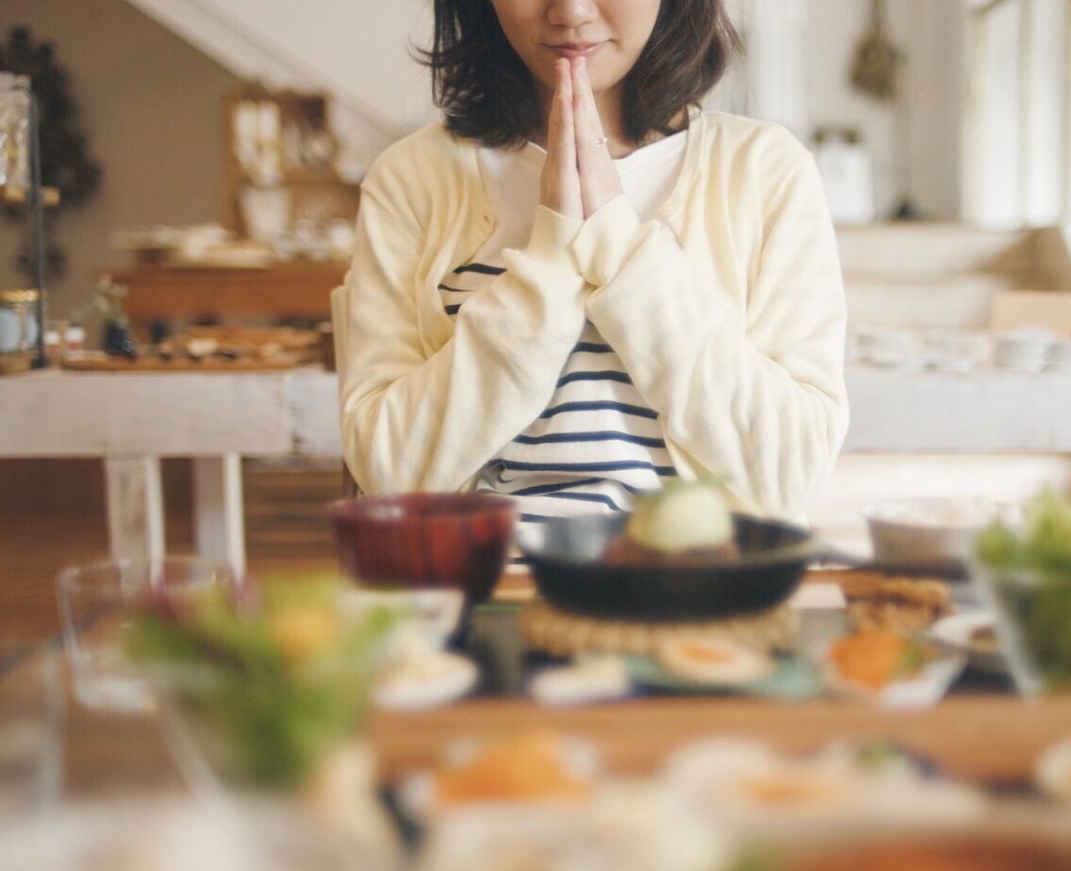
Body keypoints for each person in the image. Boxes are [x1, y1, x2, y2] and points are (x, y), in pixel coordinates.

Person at [337, 0, 847, 522]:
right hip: (483, 585)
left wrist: (614, 239)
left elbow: (791, 473)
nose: (571, 11)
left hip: (701, 588)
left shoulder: (764, 170)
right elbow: (387, 474)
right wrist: (553, 255)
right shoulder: (411, 178)